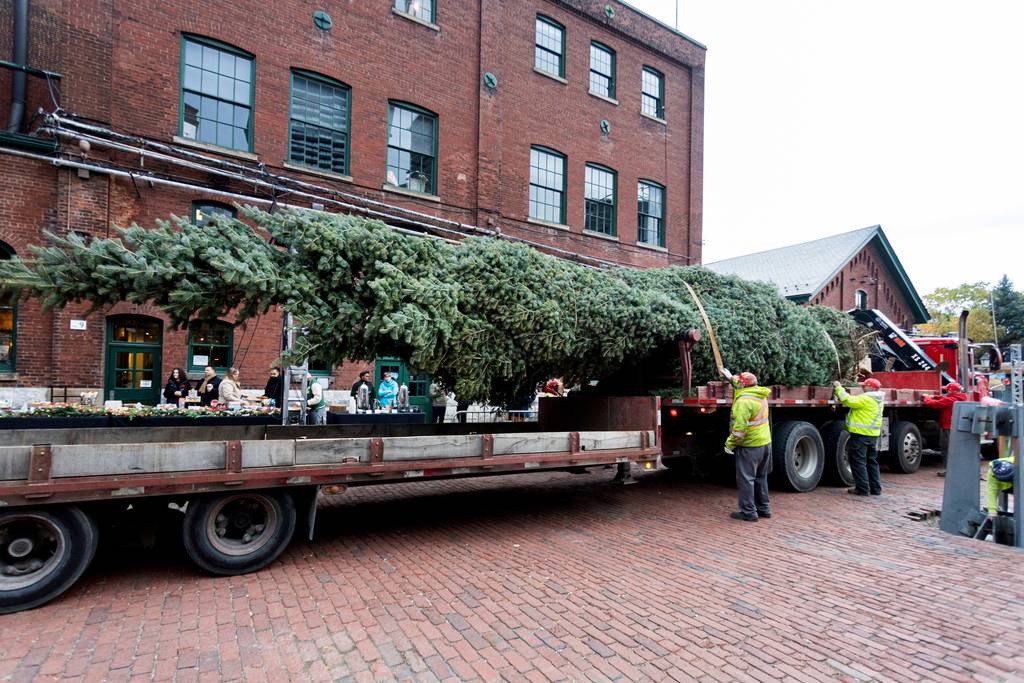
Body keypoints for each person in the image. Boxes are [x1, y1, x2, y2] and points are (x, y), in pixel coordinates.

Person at [722, 370, 772, 522]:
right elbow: (741, 384)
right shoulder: (759, 394)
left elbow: (739, 430)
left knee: (746, 479)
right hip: (765, 443)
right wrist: (730, 377)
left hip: (750, 446)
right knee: (761, 477)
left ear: (744, 384)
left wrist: (729, 444)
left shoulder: (744, 402)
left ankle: (748, 512)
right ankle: (764, 508)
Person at [833, 377, 885, 496]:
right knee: (871, 462)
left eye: (865, 385)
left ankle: (862, 489)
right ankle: (875, 489)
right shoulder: (878, 399)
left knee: (858, 462)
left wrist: (838, 387)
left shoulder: (867, 398)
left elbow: (848, 400)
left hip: (860, 436)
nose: (862, 387)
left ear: (871, 388)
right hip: (872, 436)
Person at [923, 382, 968, 477]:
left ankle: (949, 471)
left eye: (947, 390)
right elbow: (944, 398)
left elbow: (931, 404)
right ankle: (958, 469)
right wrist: (935, 396)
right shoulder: (961, 398)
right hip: (956, 427)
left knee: (946, 449)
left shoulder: (951, 400)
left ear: (951, 391)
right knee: (955, 450)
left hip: (948, 428)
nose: (946, 392)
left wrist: (927, 397)